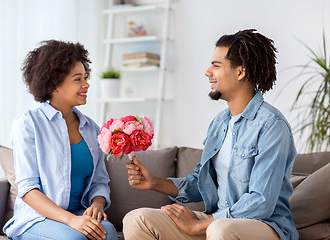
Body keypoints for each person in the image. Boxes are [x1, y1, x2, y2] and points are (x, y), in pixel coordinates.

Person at [124, 29, 299, 240]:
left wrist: (199, 226)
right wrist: (155, 182)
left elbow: (261, 201)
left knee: (220, 229)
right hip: (217, 222)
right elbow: (201, 183)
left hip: (264, 226)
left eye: (216, 65)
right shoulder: (220, 123)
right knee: (137, 219)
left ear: (240, 71)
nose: (208, 72)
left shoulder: (272, 126)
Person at [3, 40, 117, 240]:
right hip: (37, 218)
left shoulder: (91, 128)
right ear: (54, 84)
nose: (86, 84)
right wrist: (71, 220)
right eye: (77, 79)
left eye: (85, 77)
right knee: (75, 238)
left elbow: (100, 181)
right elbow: (28, 189)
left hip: (79, 214)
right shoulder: (28, 124)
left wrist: (96, 205)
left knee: (107, 233)